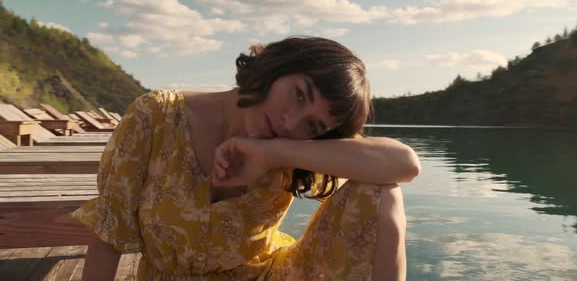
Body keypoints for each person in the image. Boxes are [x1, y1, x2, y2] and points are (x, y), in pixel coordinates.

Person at [72, 36, 421, 281]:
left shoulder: (295, 145)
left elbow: (404, 164)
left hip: (270, 275)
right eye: (298, 95)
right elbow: (108, 234)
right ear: (278, 67)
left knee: (381, 192)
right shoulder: (156, 116)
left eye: (313, 124)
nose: (290, 122)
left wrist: (274, 152)